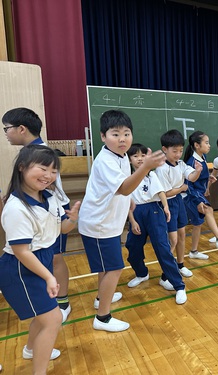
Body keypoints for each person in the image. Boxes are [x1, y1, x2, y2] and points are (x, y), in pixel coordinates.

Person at [78, 110, 165, 332]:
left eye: (126, 134)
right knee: (114, 268)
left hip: (107, 222)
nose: (122, 139)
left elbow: (123, 188)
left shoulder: (120, 156)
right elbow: (125, 187)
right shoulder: (106, 160)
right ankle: (103, 317)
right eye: (115, 134)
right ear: (103, 136)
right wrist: (145, 166)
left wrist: (128, 204)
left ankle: (101, 297)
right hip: (99, 225)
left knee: (105, 267)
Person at [0, 145, 80, 373]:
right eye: (43, 168)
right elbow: (21, 251)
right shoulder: (16, 207)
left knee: (44, 314)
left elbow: (61, 230)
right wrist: (48, 276)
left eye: (54, 171)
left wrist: (72, 220)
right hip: (20, 269)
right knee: (53, 318)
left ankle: (30, 349)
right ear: (22, 168)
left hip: (40, 261)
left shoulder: (50, 196)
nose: (48, 176)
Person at [2, 107, 73, 323]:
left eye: (7, 129)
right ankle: (51, 300)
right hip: (42, 210)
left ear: (21, 129)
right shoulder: (32, 153)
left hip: (52, 210)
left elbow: (51, 188)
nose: (6, 133)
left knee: (55, 257)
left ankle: (62, 302)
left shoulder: (40, 154)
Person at [124, 144, 187, 304]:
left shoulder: (151, 175)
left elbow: (160, 193)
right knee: (133, 248)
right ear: (129, 159)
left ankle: (179, 285)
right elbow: (126, 202)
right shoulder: (127, 178)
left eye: (143, 156)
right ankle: (141, 273)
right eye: (136, 156)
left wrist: (165, 207)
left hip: (154, 211)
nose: (140, 159)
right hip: (137, 213)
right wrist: (132, 220)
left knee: (162, 248)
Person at [182, 131, 218, 260]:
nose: (209, 145)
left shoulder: (202, 157)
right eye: (206, 143)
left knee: (197, 224)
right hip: (191, 195)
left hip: (198, 193)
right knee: (208, 209)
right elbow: (188, 184)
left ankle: (193, 252)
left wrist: (208, 179)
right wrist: (197, 200)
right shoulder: (192, 162)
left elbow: (200, 177)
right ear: (196, 145)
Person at [156, 129, 203, 278]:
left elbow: (192, 177)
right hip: (166, 205)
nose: (178, 154)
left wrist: (198, 171)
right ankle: (167, 272)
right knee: (173, 240)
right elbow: (165, 192)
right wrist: (182, 188)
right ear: (165, 149)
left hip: (178, 202)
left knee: (182, 235)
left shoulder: (181, 164)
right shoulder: (161, 168)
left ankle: (180, 264)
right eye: (174, 151)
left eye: (181, 151)